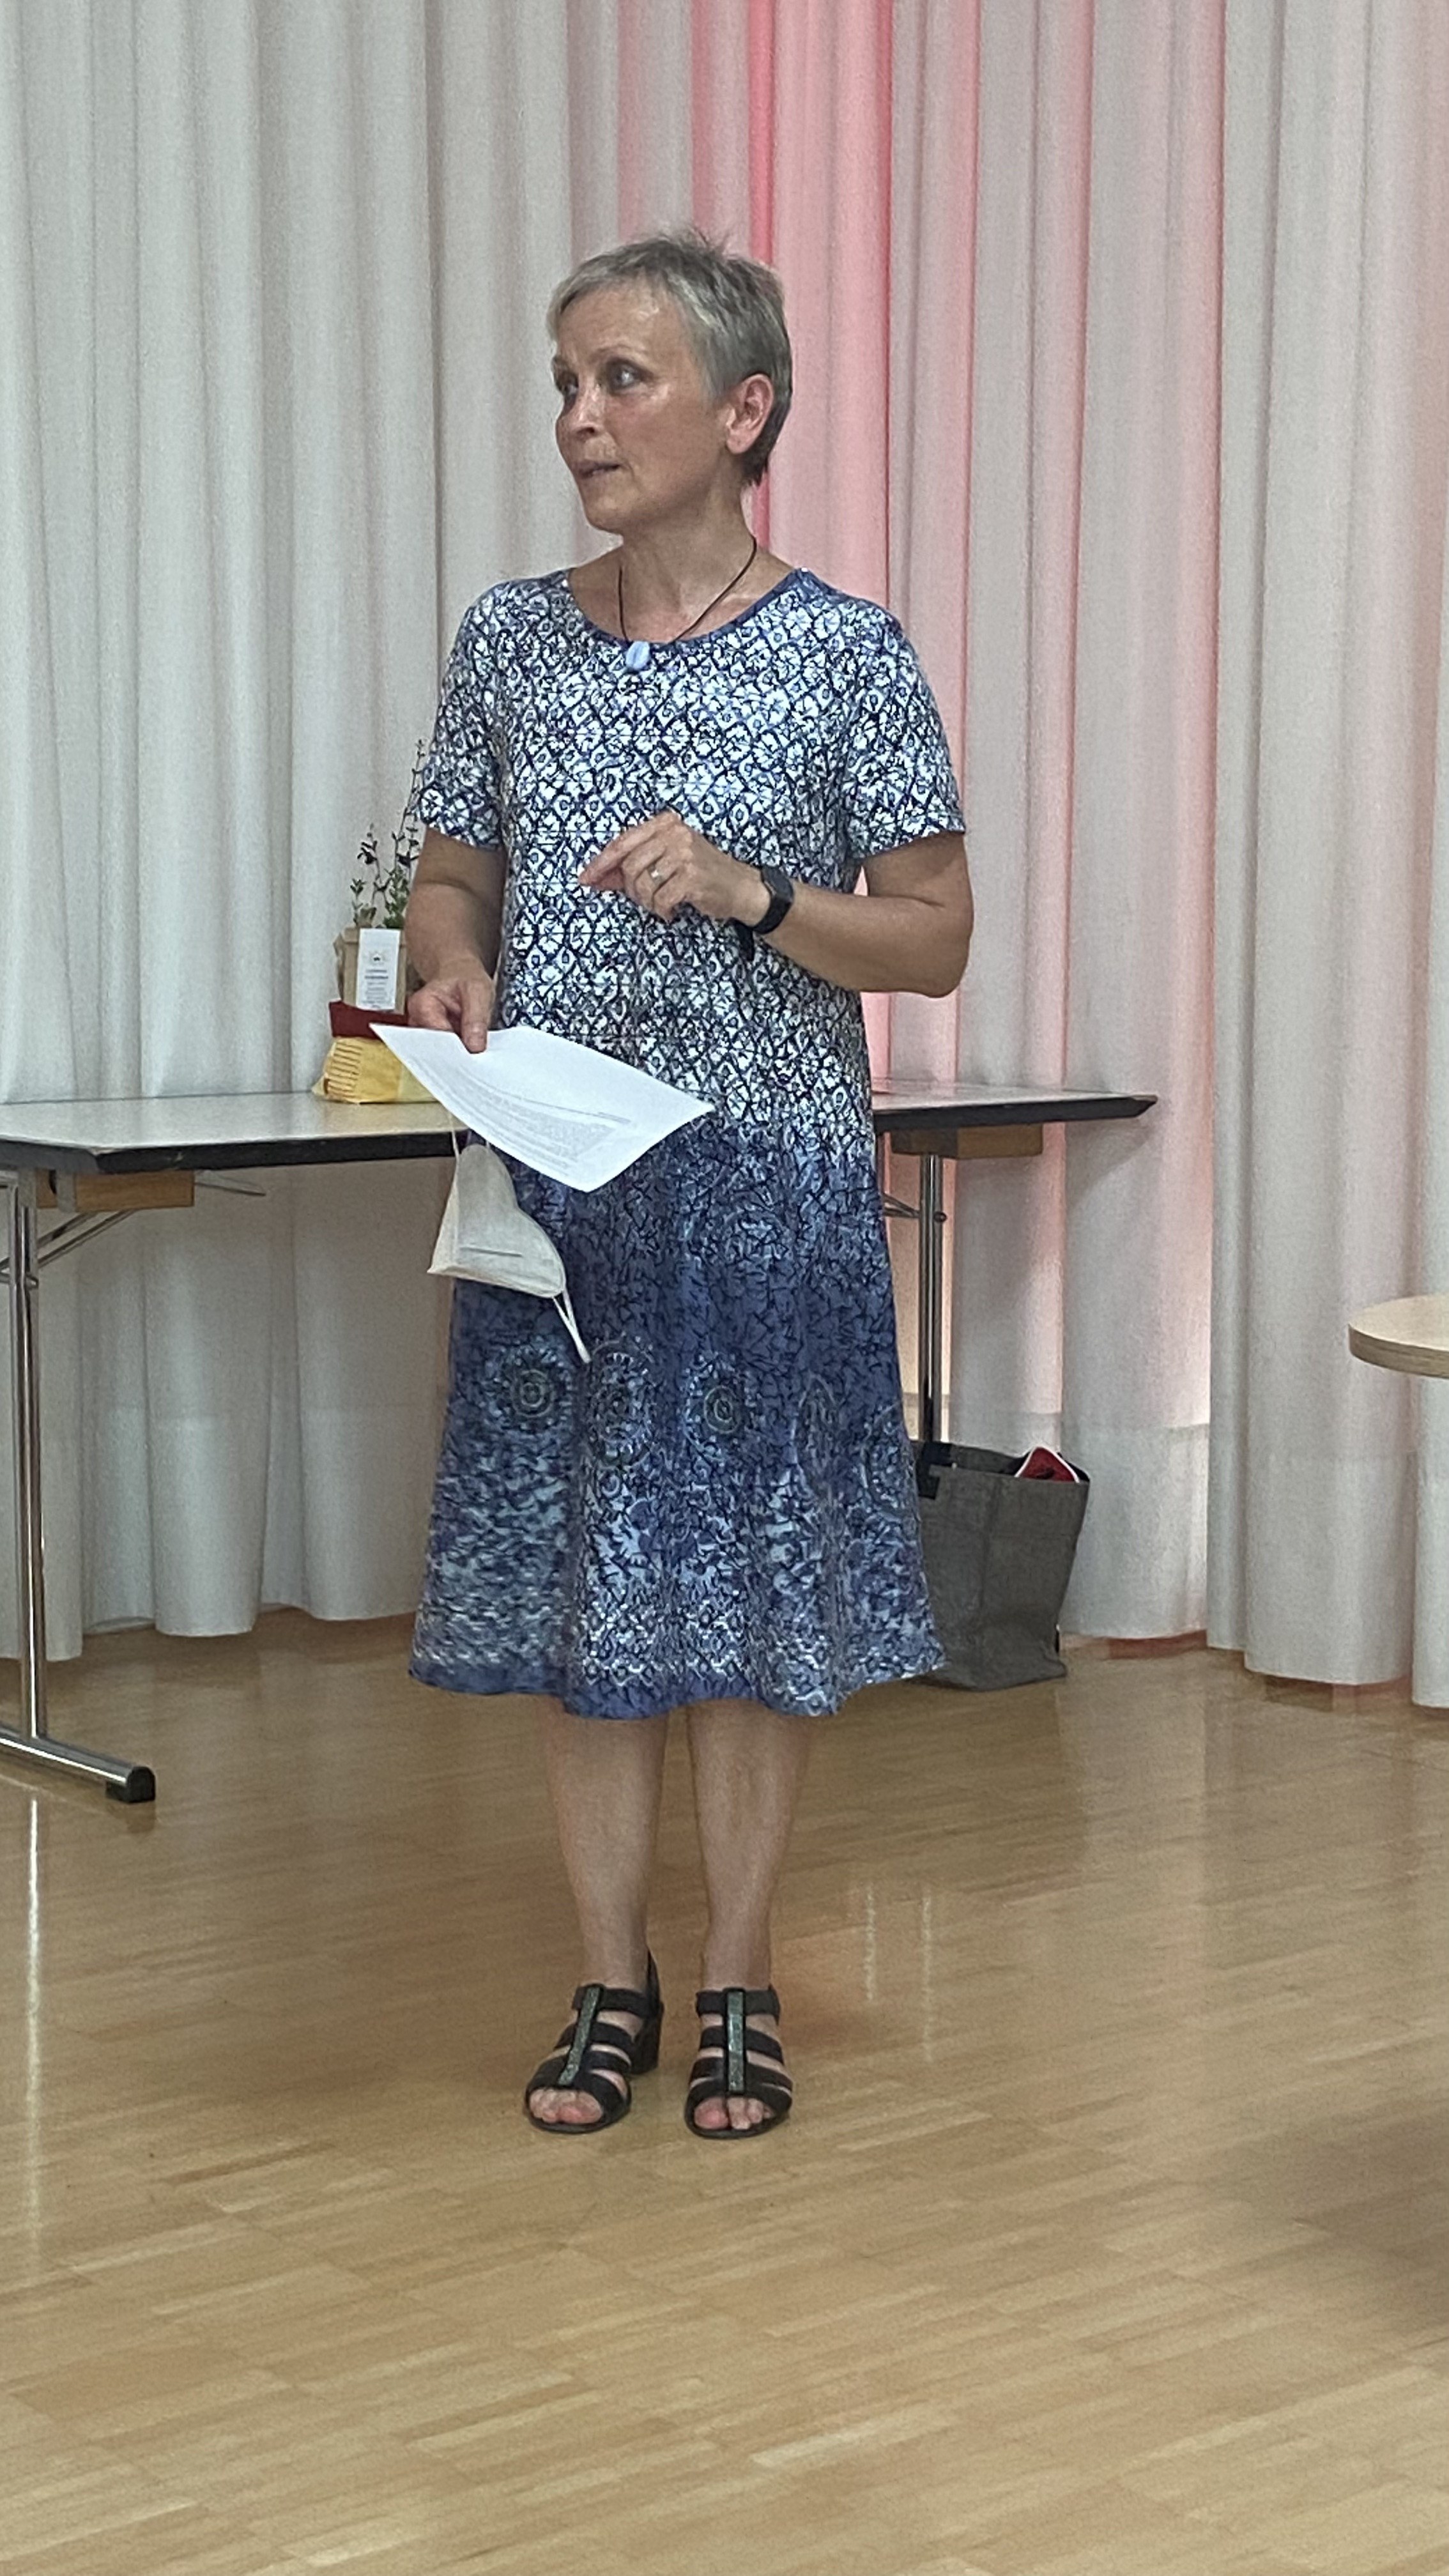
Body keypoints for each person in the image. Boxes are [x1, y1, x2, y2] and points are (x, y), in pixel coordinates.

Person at [404, 230, 972, 2138]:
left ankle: (737, 1976)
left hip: (764, 1194)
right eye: (565, 382)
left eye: (620, 378)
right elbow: (451, 868)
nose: (579, 416)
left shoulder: (848, 656)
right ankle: (606, 1980)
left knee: (744, 1595)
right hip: (560, 1199)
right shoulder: (508, 638)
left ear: (744, 410)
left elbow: (933, 938)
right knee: (589, 1597)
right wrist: (449, 963)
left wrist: (752, 891)